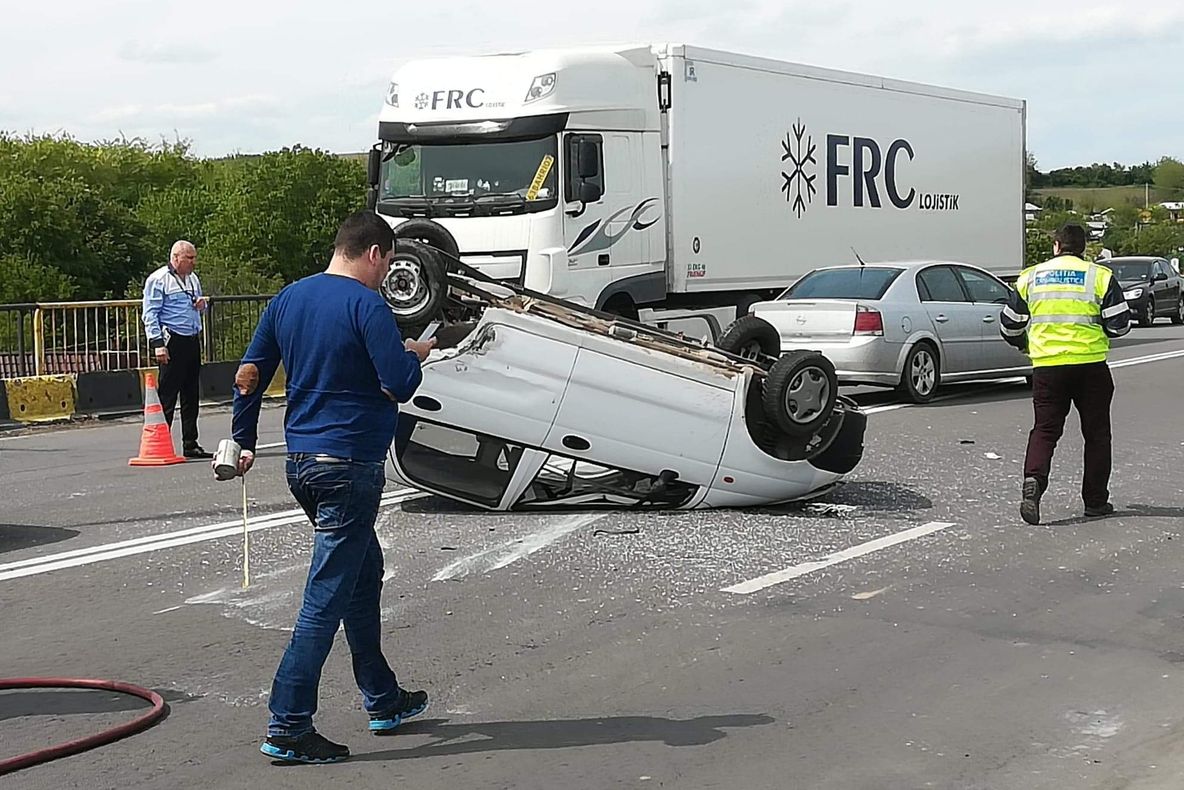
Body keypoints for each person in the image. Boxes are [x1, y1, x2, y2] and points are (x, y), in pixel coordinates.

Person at [229, 211, 436, 764]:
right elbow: (398, 383)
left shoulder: (288, 299)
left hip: (303, 464)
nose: (385, 272)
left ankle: (383, 698)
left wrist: (242, 439)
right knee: (326, 596)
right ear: (373, 254)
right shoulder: (368, 305)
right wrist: (416, 355)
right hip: (350, 467)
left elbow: (250, 371)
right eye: (388, 262)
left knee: (361, 576)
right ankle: (289, 723)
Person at [1000, 223, 1131, 525]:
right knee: (1097, 435)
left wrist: (1026, 344)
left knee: (1045, 430)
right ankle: (1095, 501)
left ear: (1056, 246)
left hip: (1048, 367)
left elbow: (1009, 326)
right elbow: (1120, 325)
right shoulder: (1100, 277)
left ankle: (1033, 483)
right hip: (1091, 366)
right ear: (1083, 248)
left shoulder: (1030, 277)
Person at [142, 240, 212, 458]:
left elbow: (198, 304)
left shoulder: (192, 279)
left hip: (191, 337)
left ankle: (190, 443)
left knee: (191, 394)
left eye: (194, 258)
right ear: (175, 257)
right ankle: (162, 441)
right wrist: (157, 345)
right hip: (172, 339)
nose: (193, 262)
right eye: (189, 258)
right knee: (168, 393)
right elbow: (150, 313)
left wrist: (202, 305)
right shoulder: (158, 279)